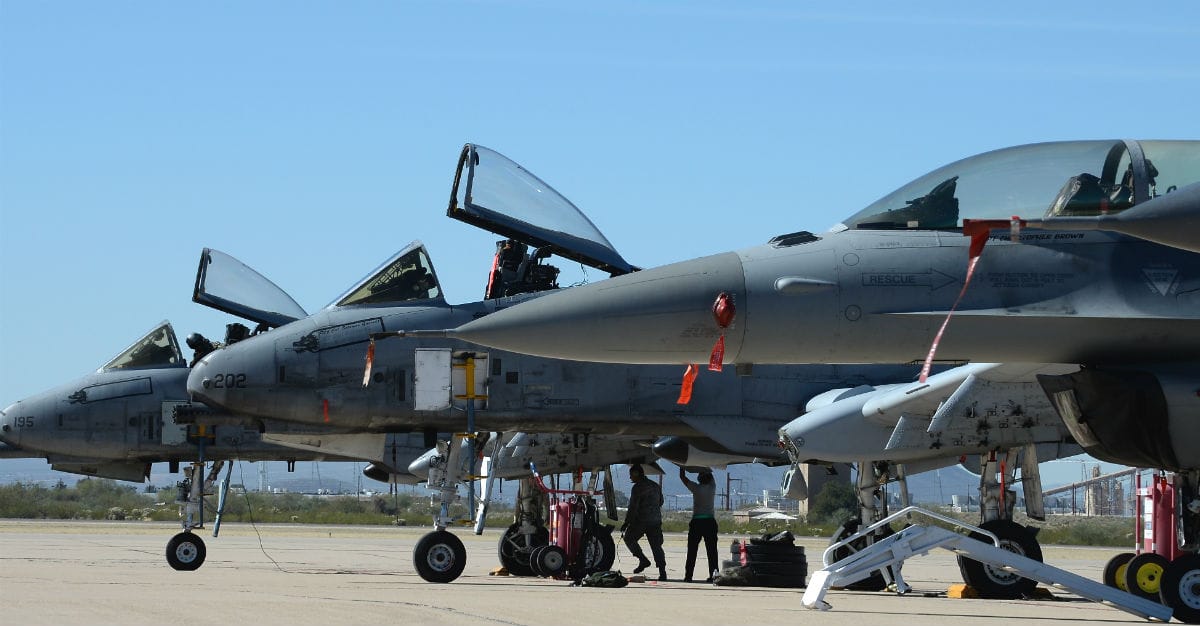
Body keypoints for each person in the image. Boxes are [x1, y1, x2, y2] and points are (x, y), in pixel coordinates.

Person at [621, 464, 666, 581]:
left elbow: (633, 507)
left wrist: (627, 523)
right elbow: (661, 502)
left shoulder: (637, 488)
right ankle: (662, 571)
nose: (630, 478)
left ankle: (643, 559)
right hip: (655, 521)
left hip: (641, 521)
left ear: (636, 474)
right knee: (656, 546)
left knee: (629, 538)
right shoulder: (655, 486)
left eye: (631, 475)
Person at [679, 467, 719, 583]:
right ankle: (714, 575)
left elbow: (682, 477)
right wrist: (706, 464)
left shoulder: (695, 488)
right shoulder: (712, 487)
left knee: (692, 551)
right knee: (712, 551)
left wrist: (682, 466)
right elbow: (711, 475)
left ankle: (688, 576)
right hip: (710, 522)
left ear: (699, 479)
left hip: (697, 521)